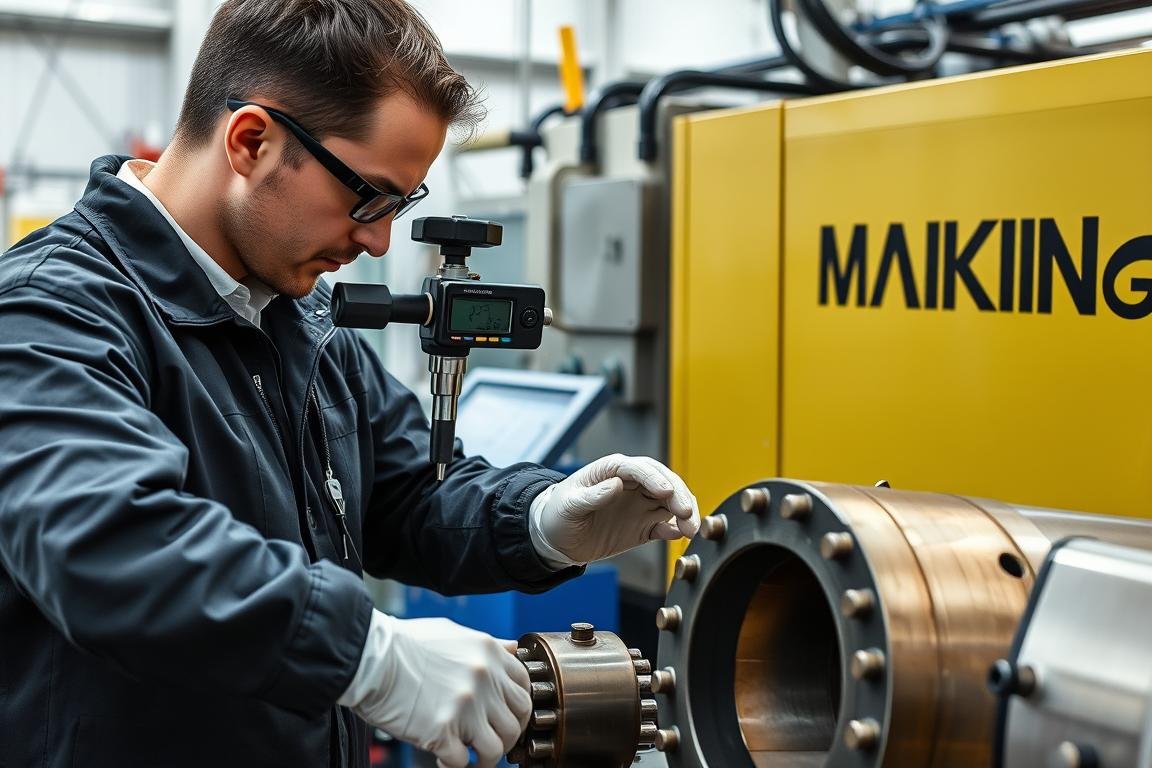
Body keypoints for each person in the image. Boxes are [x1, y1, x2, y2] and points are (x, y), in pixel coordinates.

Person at [0, 1, 699, 767]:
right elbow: (106, 546)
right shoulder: (50, 310)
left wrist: (539, 519)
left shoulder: (302, 321)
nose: (377, 239)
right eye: (367, 196)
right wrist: (369, 652)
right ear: (251, 141)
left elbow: (404, 495)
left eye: (401, 205)